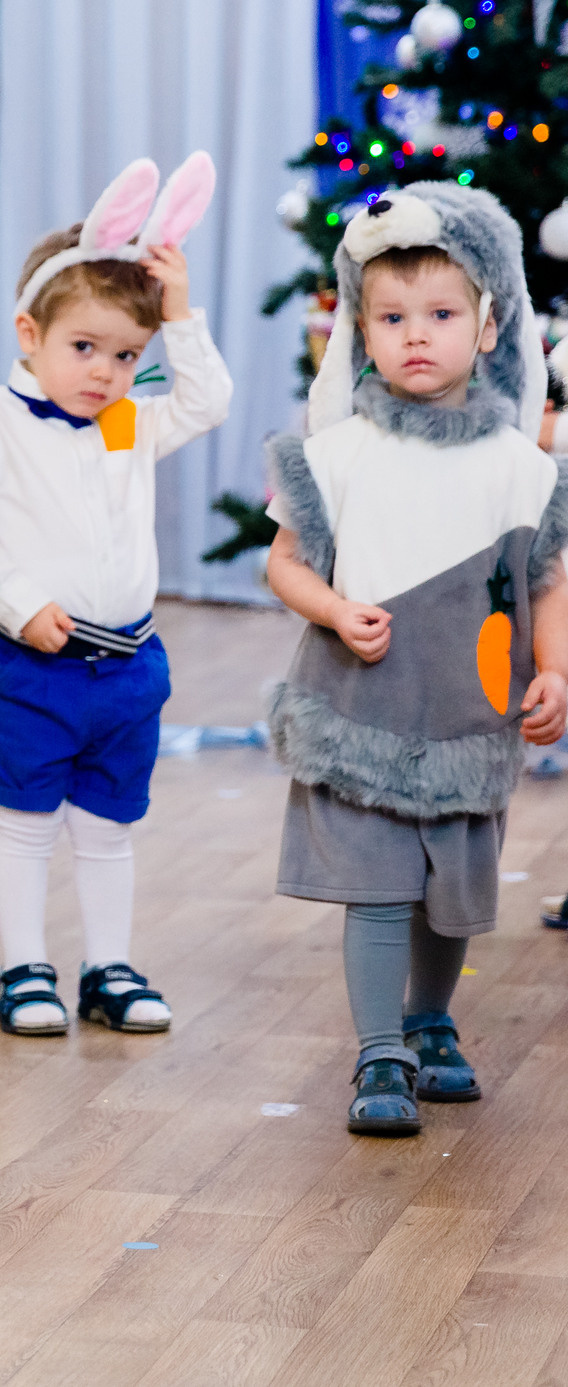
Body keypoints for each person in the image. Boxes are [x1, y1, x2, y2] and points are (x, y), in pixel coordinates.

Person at [263, 182, 568, 1135]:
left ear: (487, 328)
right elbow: (284, 561)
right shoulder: (339, 452)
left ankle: (432, 1020)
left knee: (450, 895)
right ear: (360, 328)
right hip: (361, 707)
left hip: (467, 710)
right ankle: (379, 1051)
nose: (416, 336)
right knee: (378, 886)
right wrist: (334, 606)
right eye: (392, 318)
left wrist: (553, 668)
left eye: (441, 315)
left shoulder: (521, 464)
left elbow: (546, 577)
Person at [0, 154, 230, 1036]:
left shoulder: (128, 419)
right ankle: (25, 967)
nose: (105, 371)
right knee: (27, 821)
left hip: (130, 665)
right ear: (30, 333)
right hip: (38, 663)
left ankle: (109, 966)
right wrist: (20, 601)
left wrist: (180, 317)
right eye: (84, 347)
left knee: (108, 827)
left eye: (126, 354)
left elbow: (207, 401)